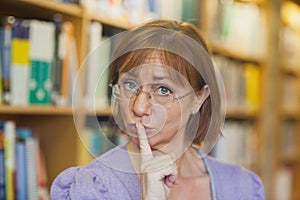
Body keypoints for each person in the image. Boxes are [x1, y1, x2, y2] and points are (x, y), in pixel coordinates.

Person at [50, 19, 265, 200]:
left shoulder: (242, 188)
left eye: (163, 89)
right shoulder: (92, 188)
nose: (139, 107)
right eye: (130, 85)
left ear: (199, 98)